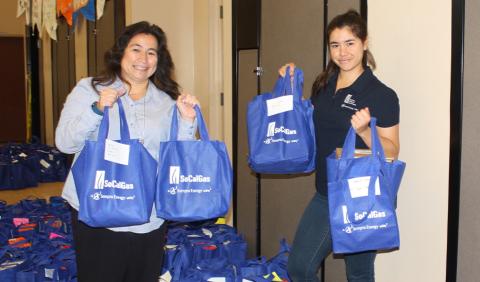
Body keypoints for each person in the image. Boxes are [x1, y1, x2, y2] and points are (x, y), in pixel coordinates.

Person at [55, 21, 199, 282]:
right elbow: (64, 143)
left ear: (159, 60)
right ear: (121, 52)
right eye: (136, 49)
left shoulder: (167, 102)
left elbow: (178, 159)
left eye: (152, 52)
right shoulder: (90, 88)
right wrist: (96, 110)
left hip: (148, 217)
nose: (143, 59)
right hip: (97, 209)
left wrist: (188, 122)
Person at [282, 10, 400, 282]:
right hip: (325, 191)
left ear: (364, 43)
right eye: (335, 45)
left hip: (361, 196)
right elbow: (307, 125)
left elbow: (392, 150)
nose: (342, 52)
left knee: (358, 274)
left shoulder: (381, 95)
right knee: (299, 267)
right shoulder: (324, 84)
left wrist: (366, 131)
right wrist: (289, 86)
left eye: (350, 43)